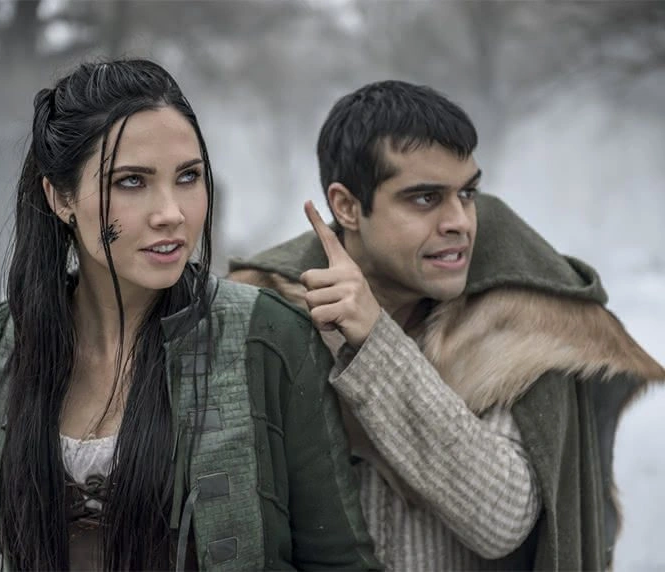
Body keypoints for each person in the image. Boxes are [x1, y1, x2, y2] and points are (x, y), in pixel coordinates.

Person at [0, 59, 380, 571]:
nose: (171, 213)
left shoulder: (268, 340)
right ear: (61, 197)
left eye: (188, 176)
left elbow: (339, 561)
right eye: (132, 181)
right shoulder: (1, 349)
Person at [228, 80, 665, 570]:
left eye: (467, 193)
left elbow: (501, 519)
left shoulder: (518, 318)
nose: (459, 221)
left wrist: (375, 344)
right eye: (425, 198)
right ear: (347, 206)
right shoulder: (266, 314)